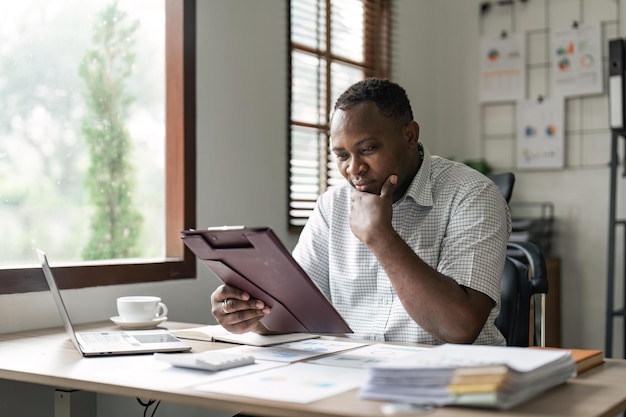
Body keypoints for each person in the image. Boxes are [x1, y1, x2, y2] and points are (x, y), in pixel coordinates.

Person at [211, 78, 511, 346]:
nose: (354, 168)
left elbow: (460, 328)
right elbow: (294, 313)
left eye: (367, 149)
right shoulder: (332, 206)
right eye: (342, 155)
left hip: (454, 383)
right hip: (353, 375)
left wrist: (381, 237)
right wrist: (250, 316)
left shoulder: (472, 194)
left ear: (409, 136)